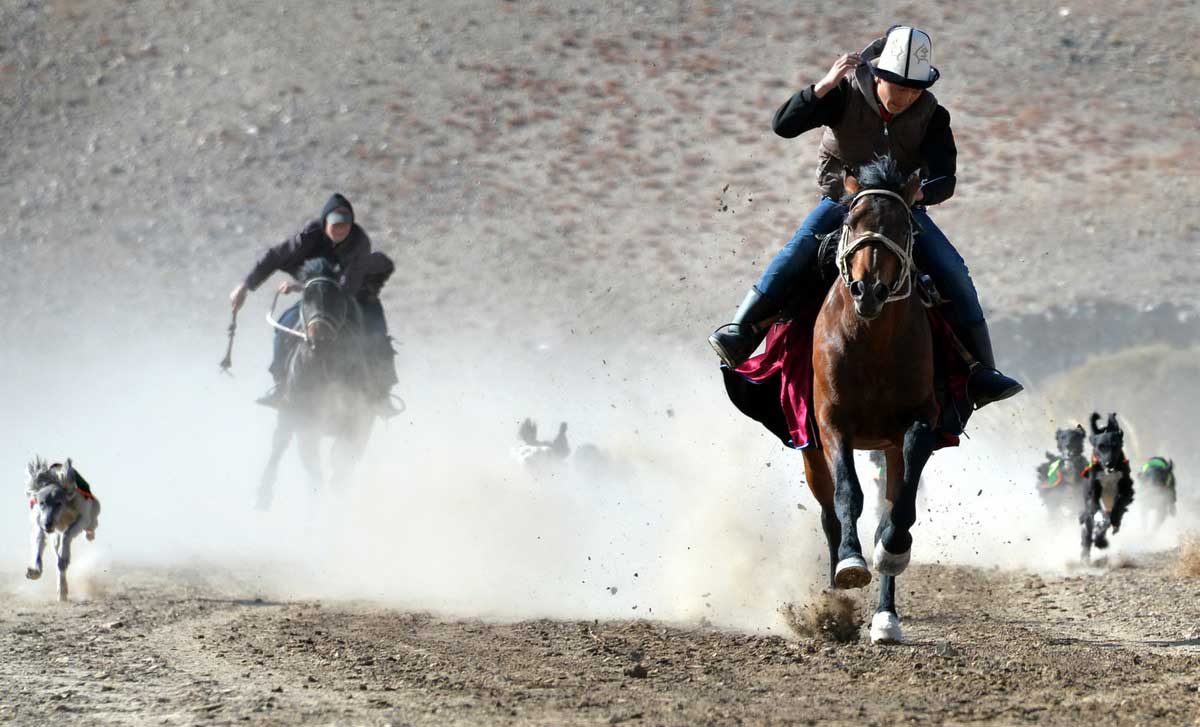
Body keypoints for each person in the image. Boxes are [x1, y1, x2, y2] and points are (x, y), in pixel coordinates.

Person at [708, 26, 1021, 409]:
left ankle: (981, 373)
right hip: (843, 204)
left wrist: (916, 194)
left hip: (902, 211)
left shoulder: (933, 116)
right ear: (878, 77)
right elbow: (783, 125)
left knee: (953, 271)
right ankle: (741, 333)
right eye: (897, 86)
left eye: (914, 88)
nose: (906, 96)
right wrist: (823, 85)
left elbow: (946, 178)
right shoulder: (842, 95)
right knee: (797, 251)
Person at [229, 193, 382, 409]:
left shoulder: (360, 242)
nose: (340, 229)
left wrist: (299, 287)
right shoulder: (310, 234)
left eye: (345, 225)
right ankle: (281, 386)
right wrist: (245, 286)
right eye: (335, 224)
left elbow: (351, 283)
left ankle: (376, 391)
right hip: (315, 298)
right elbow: (274, 256)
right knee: (285, 324)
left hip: (346, 296)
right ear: (325, 222)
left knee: (373, 329)